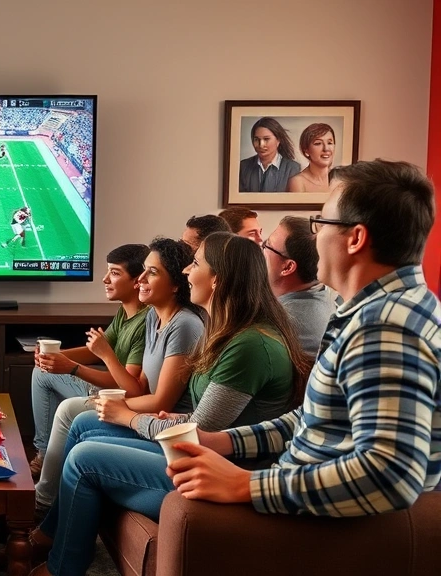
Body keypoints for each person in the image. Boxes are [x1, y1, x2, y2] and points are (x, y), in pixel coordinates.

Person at [159, 160, 441, 554]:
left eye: (321, 222)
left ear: (355, 238)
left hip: (319, 526)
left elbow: (390, 474)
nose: (316, 235)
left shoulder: (385, 325)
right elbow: (316, 417)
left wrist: (244, 485)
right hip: (298, 490)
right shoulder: (373, 310)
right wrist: (223, 441)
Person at [28, 232, 313, 576]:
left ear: (217, 279)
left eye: (195, 265)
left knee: (85, 459)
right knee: (87, 425)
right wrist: (177, 415)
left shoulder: (249, 344)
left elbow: (200, 433)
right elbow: (208, 415)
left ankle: (62, 568)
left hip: (214, 469)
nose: (188, 273)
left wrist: (131, 418)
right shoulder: (227, 331)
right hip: (199, 450)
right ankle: (52, 535)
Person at [33, 238, 203, 516]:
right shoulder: (153, 317)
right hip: (142, 407)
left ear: (175, 284)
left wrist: (115, 404)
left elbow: (161, 401)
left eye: (152, 273)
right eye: (143, 271)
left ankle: (43, 503)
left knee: (71, 412)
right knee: (70, 407)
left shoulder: (184, 325)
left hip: (163, 424)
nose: (141, 281)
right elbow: (141, 388)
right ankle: (48, 495)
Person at [28, 244, 150, 478]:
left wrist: (71, 367)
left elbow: (124, 387)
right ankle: (44, 453)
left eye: (114, 273)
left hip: (116, 397)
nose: (105, 279)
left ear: (137, 281)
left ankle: (45, 458)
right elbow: (96, 351)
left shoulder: (143, 322)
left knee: (44, 375)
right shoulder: (126, 311)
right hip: (110, 388)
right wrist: (55, 356)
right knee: (42, 369)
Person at [262, 216, 334, 356]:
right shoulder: (322, 294)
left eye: (267, 245)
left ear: (288, 267)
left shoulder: (279, 321)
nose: (261, 248)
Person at [238, 117, 302, 192]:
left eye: (266, 139)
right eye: (256, 139)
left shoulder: (293, 169)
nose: (261, 145)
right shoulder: (243, 166)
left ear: (278, 140)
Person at [286, 123, 336, 193]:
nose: (326, 149)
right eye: (318, 143)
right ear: (306, 150)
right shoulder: (297, 182)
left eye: (330, 143)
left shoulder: (339, 180)